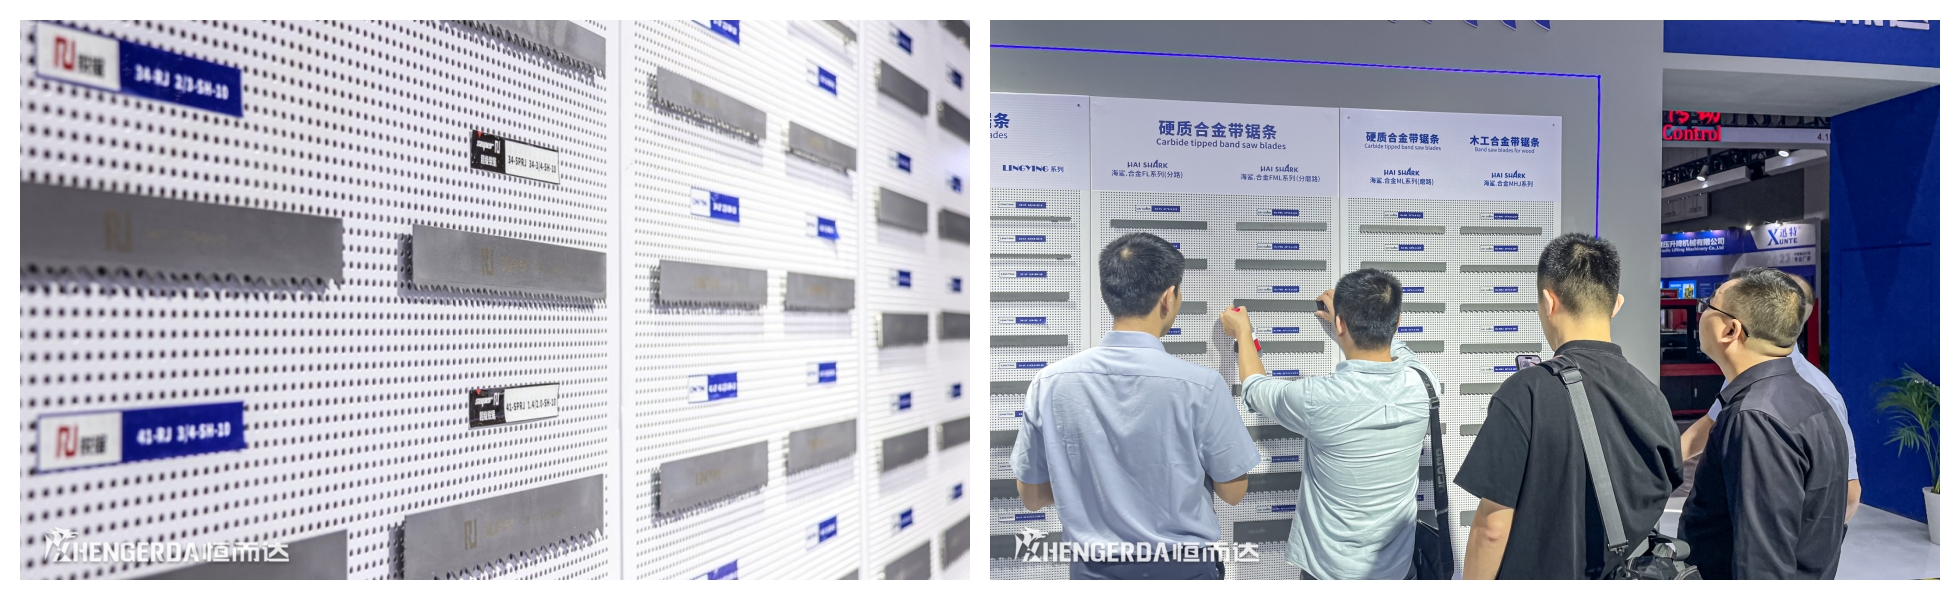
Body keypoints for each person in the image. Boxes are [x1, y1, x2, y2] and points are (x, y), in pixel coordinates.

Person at [1011, 231, 1261, 580]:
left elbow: (1033, 496)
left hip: (1092, 573)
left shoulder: (1049, 383)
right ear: (1168, 297)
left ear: (1105, 293)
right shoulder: (1201, 385)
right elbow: (1233, 492)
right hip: (1184, 571)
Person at [1454, 233, 1684, 579]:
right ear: (1616, 305)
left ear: (1549, 302)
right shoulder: (1652, 396)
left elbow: (1492, 528)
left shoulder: (1526, 392)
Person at [1219, 268, 1435, 580]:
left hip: (1330, 573)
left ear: (1339, 324)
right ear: (1398, 322)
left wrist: (1242, 332)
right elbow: (1396, 350)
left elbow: (1255, 388)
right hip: (1397, 570)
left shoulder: (1319, 398)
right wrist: (1353, 323)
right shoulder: (1424, 383)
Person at [1679, 268, 1849, 579]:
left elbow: (1762, 561)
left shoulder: (1755, 418)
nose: (1702, 312)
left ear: (1731, 330)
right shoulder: (1808, 395)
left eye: (1709, 305)